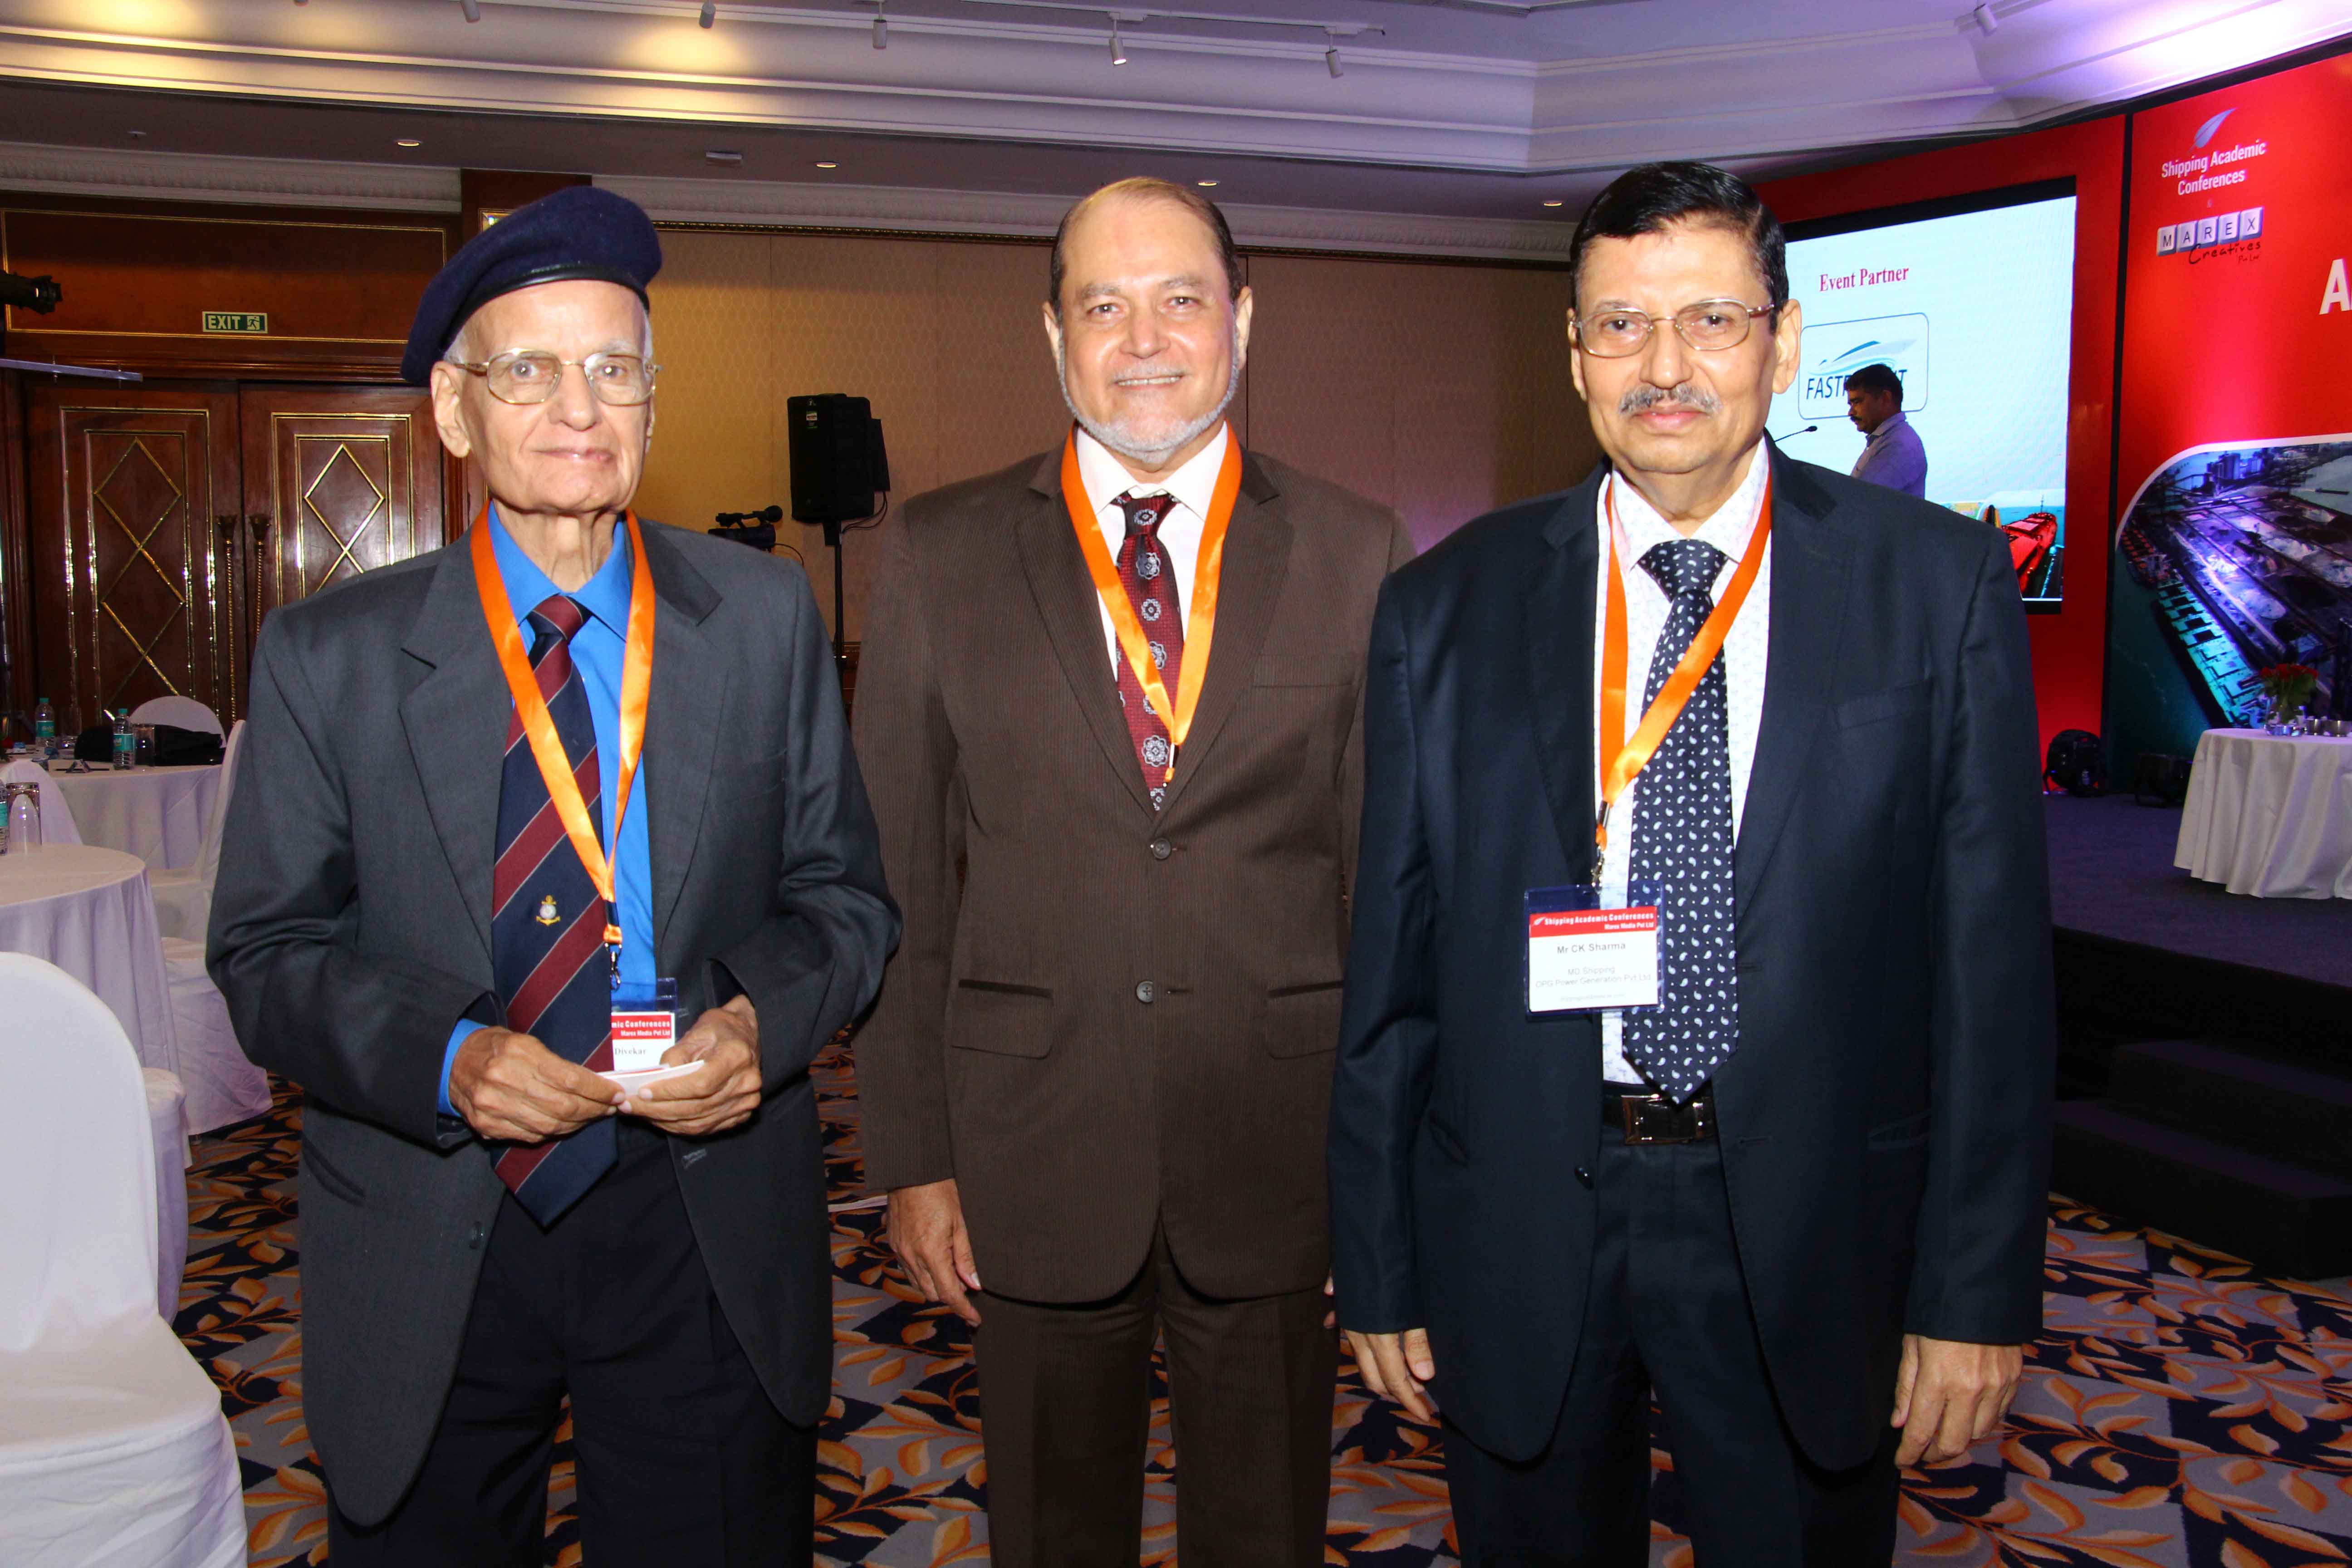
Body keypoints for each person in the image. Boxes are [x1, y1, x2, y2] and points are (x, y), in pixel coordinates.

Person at [1329, 161, 2053, 1565]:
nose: (1665, 367)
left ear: (1783, 343)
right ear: (1576, 353)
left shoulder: (1935, 587)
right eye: (1622, 325)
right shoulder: (1443, 606)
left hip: (1818, 1219)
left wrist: (1974, 1291)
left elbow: (1994, 976)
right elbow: (1392, 975)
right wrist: (1380, 1261)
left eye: (1712, 320)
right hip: (1523, 1209)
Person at [208, 186, 898, 1565]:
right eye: (528, 369)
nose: (579, 407)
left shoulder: (761, 618)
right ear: (455, 410)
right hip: (432, 1207)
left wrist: (760, 1025)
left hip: (698, 1204)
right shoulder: (329, 655)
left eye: (613, 369)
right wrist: (451, 1057)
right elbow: (266, 955)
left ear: (651, 400)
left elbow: (847, 903)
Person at [852, 176, 1414, 1568]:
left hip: (1281, 1153)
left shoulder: (1359, 552)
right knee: (1051, 1533)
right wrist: (914, 1159)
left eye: (1181, 299)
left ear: (1242, 321)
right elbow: (900, 885)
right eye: (1104, 305)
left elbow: (1389, 894)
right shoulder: (938, 552)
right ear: (1055, 336)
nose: (1145, 339)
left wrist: (1384, 1174)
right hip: (1028, 1150)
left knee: (1266, 1533)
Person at [1845, 361, 1928, 497]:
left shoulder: (1899, 445)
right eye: (1851, 404)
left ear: (1885, 399)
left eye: (1857, 402)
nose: (1851, 412)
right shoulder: (1886, 439)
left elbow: (1862, 498)